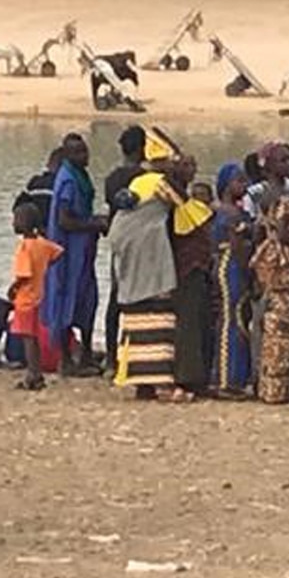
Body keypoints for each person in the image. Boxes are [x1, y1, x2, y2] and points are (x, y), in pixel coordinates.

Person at [108, 164, 179, 400]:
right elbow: (184, 203)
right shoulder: (152, 209)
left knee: (135, 331)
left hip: (132, 282)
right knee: (159, 327)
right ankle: (160, 384)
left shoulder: (124, 219)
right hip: (152, 279)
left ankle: (142, 385)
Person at [250, 143, 289, 404]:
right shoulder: (256, 193)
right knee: (270, 320)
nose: (288, 164)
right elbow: (255, 229)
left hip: (285, 261)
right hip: (272, 262)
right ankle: (267, 382)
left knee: (288, 322)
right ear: (270, 165)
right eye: (283, 160)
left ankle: (286, 381)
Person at [42, 133, 105, 374]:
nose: (85, 156)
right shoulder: (68, 179)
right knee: (66, 300)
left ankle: (86, 355)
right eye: (78, 152)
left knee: (88, 300)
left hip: (83, 251)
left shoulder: (80, 175)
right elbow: (64, 220)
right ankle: (67, 360)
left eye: (85, 150)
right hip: (68, 253)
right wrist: (93, 224)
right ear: (67, 155)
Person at [164, 146, 214, 400]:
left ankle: (196, 376)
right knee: (188, 324)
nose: (191, 170)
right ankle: (187, 378)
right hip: (185, 268)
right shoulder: (173, 200)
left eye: (192, 165)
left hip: (197, 267)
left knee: (198, 322)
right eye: (185, 165)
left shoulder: (188, 202)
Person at [103, 126, 149, 352]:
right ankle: (133, 351)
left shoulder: (112, 178)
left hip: (118, 242)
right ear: (142, 148)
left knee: (116, 298)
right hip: (142, 243)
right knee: (139, 299)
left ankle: (112, 355)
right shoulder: (145, 178)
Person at [210, 163, 255, 397]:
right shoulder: (229, 213)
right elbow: (236, 245)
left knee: (235, 318)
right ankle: (227, 379)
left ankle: (232, 376)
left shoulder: (226, 210)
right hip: (231, 265)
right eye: (239, 180)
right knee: (231, 319)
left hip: (228, 264)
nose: (244, 185)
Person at [10, 202, 64, 391]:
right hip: (39, 296)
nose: (13, 223)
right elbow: (58, 253)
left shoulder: (25, 247)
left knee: (28, 339)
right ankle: (36, 373)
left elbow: (23, 275)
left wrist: (12, 289)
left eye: (16, 219)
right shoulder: (42, 244)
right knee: (34, 337)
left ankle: (33, 373)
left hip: (24, 299)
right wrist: (44, 266)